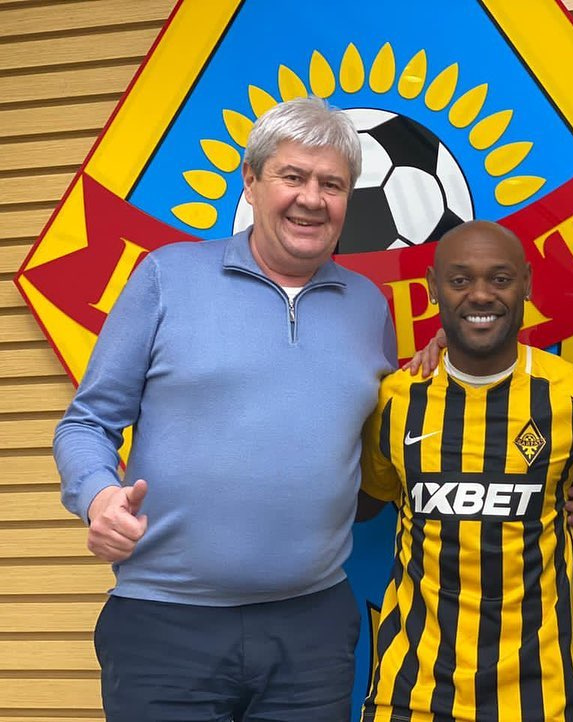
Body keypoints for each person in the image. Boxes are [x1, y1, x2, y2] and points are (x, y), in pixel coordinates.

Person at [53, 97, 396, 721]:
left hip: (312, 630)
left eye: (332, 184)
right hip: (166, 624)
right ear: (251, 181)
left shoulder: (370, 305)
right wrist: (99, 498)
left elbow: (389, 434)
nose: (312, 199)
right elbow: (87, 422)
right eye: (292, 176)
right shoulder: (166, 277)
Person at [357, 220, 573, 721]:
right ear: (433, 288)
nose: (480, 295)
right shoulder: (395, 400)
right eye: (460, 280)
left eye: (500, 279)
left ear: (527, 284)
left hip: (544, 690)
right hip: (411, 689)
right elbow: (373, 495)